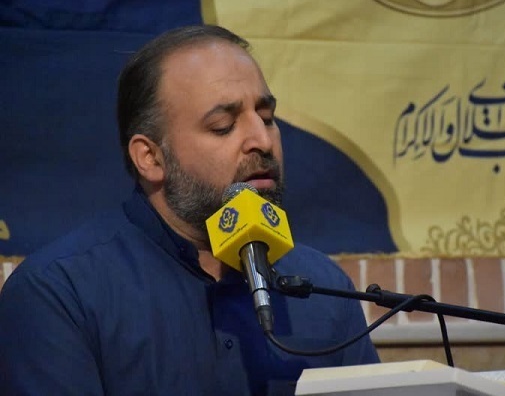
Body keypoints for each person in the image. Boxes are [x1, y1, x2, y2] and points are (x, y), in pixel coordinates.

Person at [0, 25, 379, 396]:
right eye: (223, 126)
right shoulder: (60, 294)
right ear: (151, 157)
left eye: (266, 118)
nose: (262, 141)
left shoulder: (321, 286)